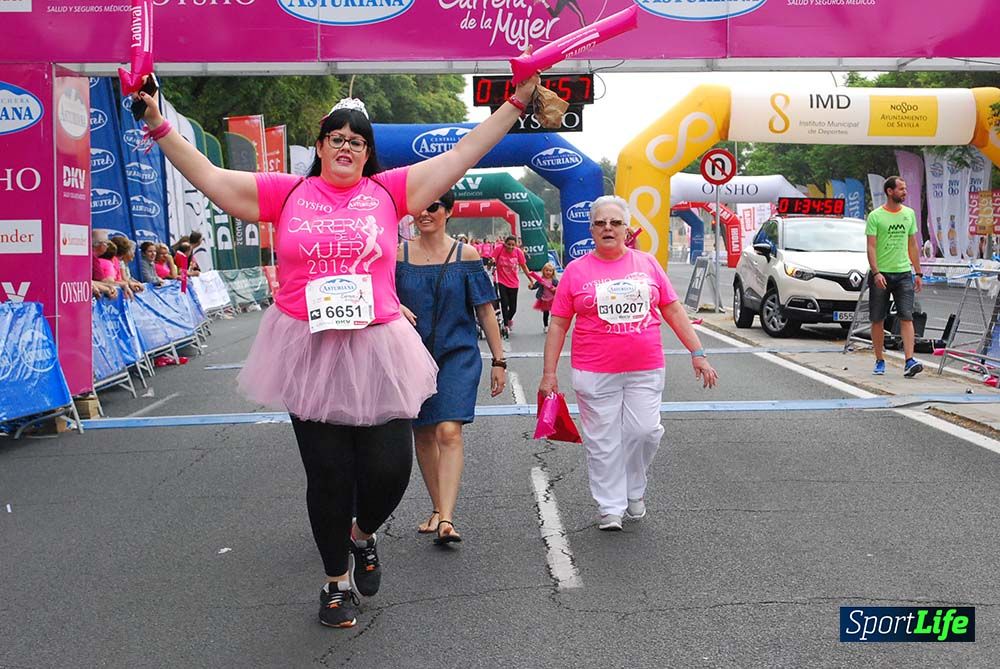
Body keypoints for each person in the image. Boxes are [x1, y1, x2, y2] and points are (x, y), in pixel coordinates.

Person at [132, 60, 540, 629]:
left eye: (356, 140)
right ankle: (334, 582)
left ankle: (362, 534)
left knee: (389, 473)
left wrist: (514, 105)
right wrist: (157, 123)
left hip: (377, 346)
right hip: (308, 346)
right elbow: (212, 178)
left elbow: (463, 153)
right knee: (327, 476)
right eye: (336, 138)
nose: (346, 147)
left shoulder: (389, 192)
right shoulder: (288, 192)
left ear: (367, 151)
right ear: (321, 146)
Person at [538, 195, 718, 531]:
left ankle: (635, 488)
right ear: (591, 229)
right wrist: (549, 374)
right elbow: (559, 323)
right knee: (602, 440)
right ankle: (610, 506)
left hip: (645, 366)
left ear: (626, 229)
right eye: (601, 223)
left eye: (615, 223)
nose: (608, 228)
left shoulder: (647, 264)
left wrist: (698, 354)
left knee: (645, 431)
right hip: (593, 369)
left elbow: (674, 310)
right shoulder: (576, 272)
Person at [396, 190, 506, 545]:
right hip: (412, 357)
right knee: (424, 433)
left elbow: (485, 310)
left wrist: (499, 360)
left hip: (458, 354)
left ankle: (446, 519)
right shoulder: (397, 255)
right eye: (419, 208)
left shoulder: (466, 255)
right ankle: (437, 508)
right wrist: (393, 306)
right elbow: (377, 294)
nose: (424, 214)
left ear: (448, 212)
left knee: (448, 431)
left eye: (433, 207)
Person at [866, 176, 924, 378]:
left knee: (907, 317)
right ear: (890, 191)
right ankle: (879, 359)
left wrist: (918, 272)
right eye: (901, 189)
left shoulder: (909, 214)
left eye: (906, 189)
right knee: (877, 319)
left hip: (903, 273)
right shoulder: (875, 216)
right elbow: (871, 246)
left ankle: (909, 360)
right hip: (882, 274)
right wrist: (876, 272)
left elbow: (913, 245)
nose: (905, 192)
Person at [493, 234, 531, 331]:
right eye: (508, 244)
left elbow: (524, 266)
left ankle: (509, 319)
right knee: (504, 304)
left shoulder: (518, 252)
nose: (510, 247)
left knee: (513, 308)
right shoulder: (499, 249)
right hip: (501, 281)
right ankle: (505, 325)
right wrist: (491, 263)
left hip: (514, 283)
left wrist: (531, 279)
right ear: (504, 244)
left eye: (512, 245)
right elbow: (491, 262)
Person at [527, 262, 559, 332]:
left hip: (553, 299)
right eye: (546, 270)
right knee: (546, 313)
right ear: (543, 271)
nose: (548, 272)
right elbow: (535, 286)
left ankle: (553, 325)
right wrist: (531, 286)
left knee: (554, 313)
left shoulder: (554, 281)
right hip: (544, 299)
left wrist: (555, 289)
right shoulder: (541, 280)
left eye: (550, 271)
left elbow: (560, 287)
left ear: (553, 272)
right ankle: (546, 326)